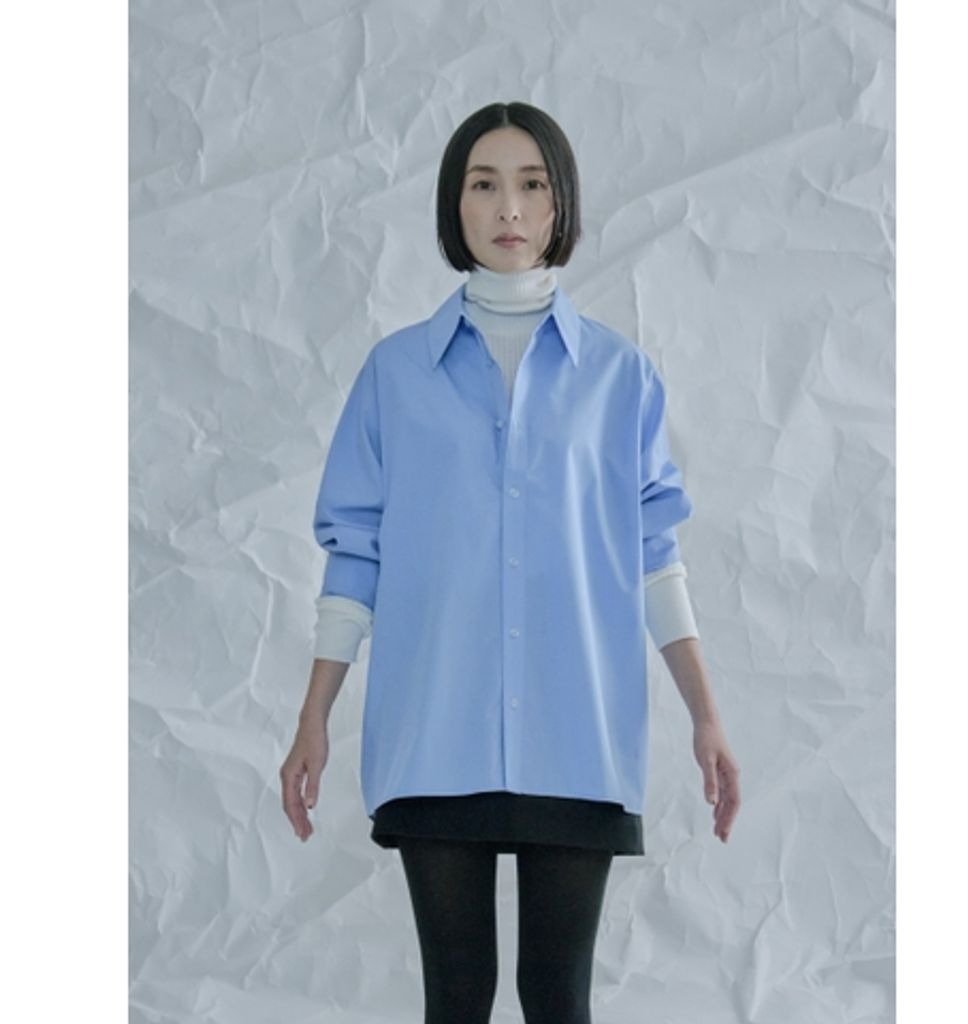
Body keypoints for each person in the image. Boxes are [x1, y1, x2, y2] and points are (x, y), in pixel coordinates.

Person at [280, 101, 741, 1024]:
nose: (509, 208)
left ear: (560, 201)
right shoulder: (393, 376)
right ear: (453, 205)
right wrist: (313, 717)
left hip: (578, 734)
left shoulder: (620, 378)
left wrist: (706, 716)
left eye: (531, 184)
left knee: (557, 999)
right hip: (433, 730)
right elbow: (356, 555)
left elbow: (654, 557)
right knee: (456, 999)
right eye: (483, 184)